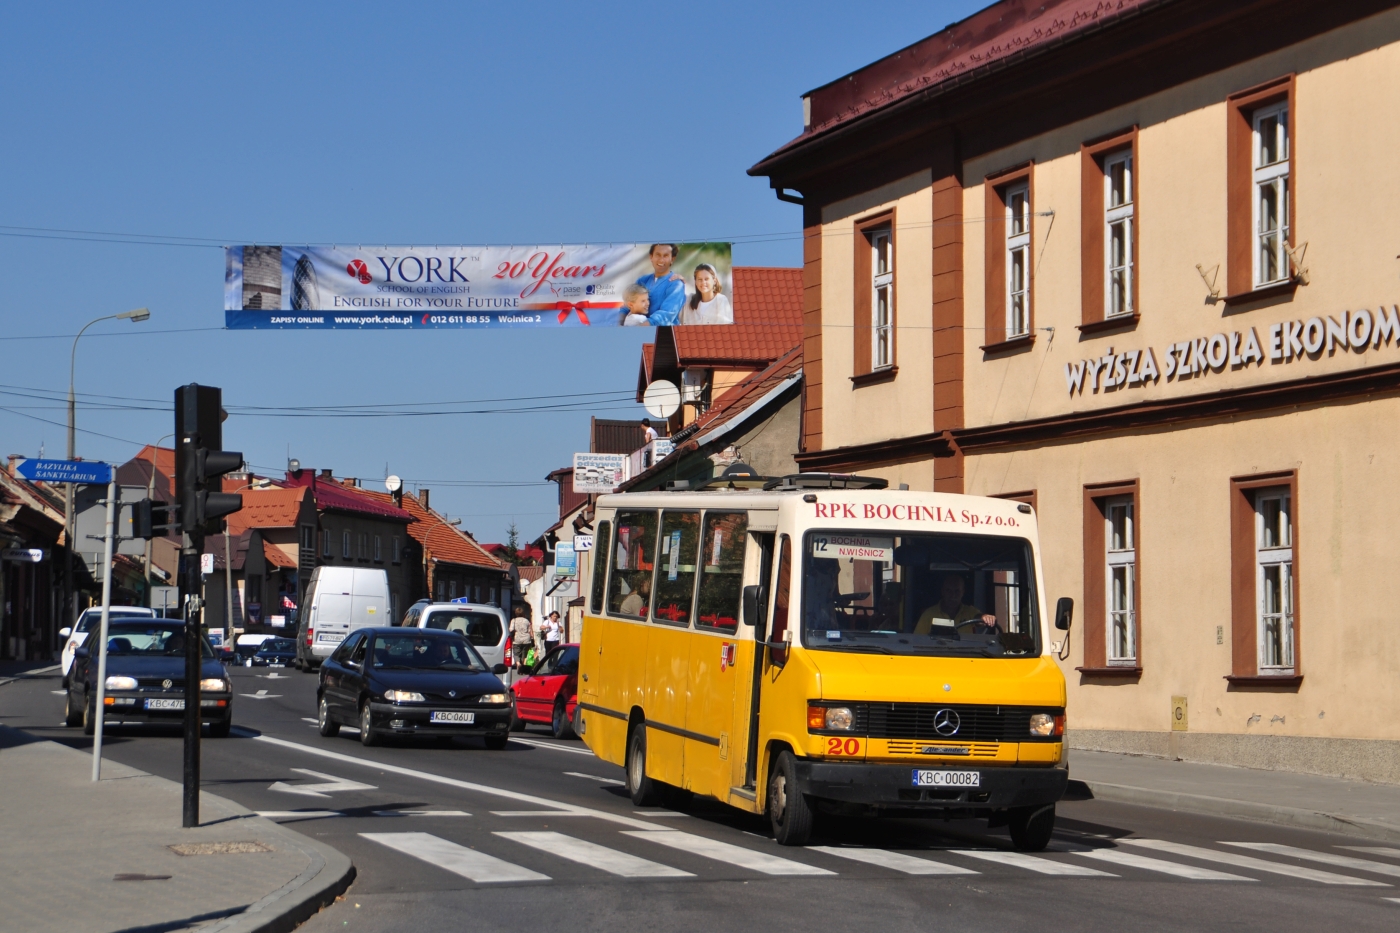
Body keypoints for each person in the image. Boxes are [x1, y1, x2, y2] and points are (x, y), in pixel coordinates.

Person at [914, 574, 998, 635]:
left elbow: (978, 618)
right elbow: (918, 639)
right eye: (949, 591)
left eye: (957, 591)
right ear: (943, 591)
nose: (953, 595)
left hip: (965, 657)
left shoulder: (969, 611)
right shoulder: (929, 614)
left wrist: (985, 618)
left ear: (963, 592)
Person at [636, 244, 686, 326]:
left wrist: (643, 326)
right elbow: (629, 304)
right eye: (658, 255)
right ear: (651, 257)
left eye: (665, 256)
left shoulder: (676, 284)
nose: (661, 260)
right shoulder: (642, 281)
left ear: (672, 259)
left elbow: (667, 314)